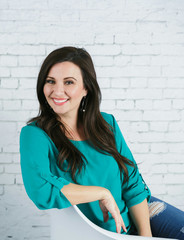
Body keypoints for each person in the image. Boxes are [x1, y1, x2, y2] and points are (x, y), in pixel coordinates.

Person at [19, 46, 184, 239]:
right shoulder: (35, 134)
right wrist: (101, 193)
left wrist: (145, 236)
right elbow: (41, 190)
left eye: (69, 82)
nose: (57, 91)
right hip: (97, 231)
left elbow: (132, 184)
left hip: (138, 212)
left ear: (86, 89)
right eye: (50, 81)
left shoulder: (107, 124)